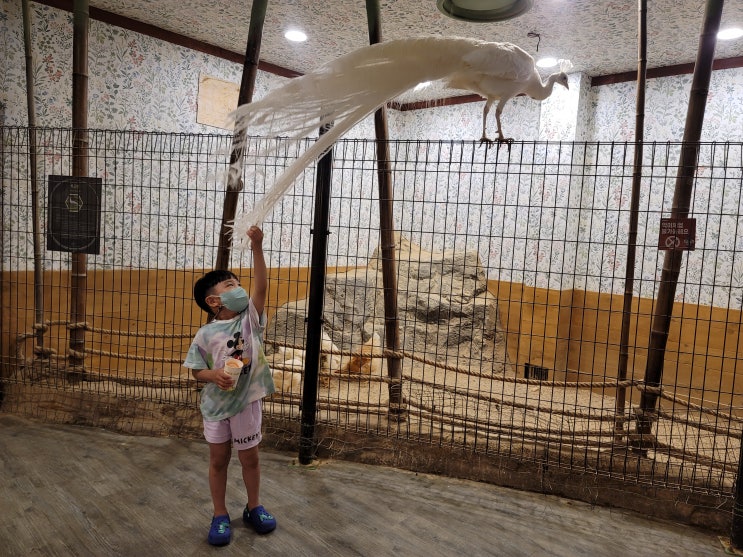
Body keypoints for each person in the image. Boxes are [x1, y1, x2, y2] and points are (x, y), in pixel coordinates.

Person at [183, 226, 277, 546]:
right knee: (218, 460)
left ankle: (254, 507)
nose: (238, 288)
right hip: (216, 407)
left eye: (237, 283)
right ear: (213, 301)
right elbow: (196, 372)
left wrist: (257, 247)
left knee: (250, 459)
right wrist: (214, 375)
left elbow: (261, 286)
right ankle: (220, 514)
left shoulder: (249, 319)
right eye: (230, 285)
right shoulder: (204, 335)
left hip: (246, 403)